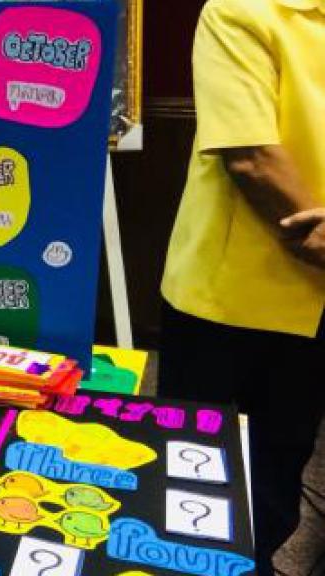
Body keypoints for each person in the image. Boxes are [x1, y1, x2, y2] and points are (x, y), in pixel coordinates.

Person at [159, 0, 325, 572]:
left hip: (313, 301)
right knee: (194, 465)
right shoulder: (241, 11)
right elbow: (251, 156)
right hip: (226, 299)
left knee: (280, 465)